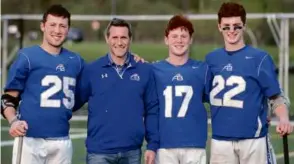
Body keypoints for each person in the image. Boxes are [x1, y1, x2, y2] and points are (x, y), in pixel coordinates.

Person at [205, 2, 293, 164]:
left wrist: (284, 118)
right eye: (227, 26)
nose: (231, 31)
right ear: (219, 27)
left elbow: (276, 98)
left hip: (253, 139)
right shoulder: (211, 59)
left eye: (236, 26)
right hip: (221, 141)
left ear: (244, 26)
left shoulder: (260, 58)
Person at [0, 4, 84, 164]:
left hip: (62, 141)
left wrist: (132, 58)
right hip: (29, 139)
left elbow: (91, 83)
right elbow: (7, 99)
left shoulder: (76, 61)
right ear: (43, 26)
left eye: (62, 26)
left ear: (68, 30)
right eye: (52, 25)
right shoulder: (27, 57)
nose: (57, 30)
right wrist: (13, 121)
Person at [74, 18, 159, 164]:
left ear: (130, 39)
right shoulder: (92, 70)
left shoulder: (144, 70)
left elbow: (152, 109)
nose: (119, 42)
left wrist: (152, 145)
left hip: (131, 152)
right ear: (107, 38)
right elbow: (72, 102)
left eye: (123, 37)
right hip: (99, 153)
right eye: (115, 37)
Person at [152, 15, 211, 164]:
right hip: (164, 145)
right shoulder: (153, 70)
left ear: (190, 40)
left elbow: (219, 101)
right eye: (175, 36)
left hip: (194, 145)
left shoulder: (202, 69)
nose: (179, 40)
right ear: (166, 39)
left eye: (184, 36)